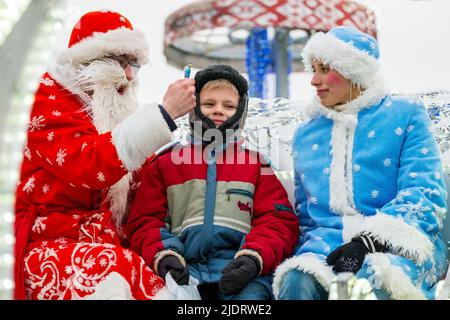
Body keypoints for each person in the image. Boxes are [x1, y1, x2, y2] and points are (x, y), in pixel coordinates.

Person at [14, 10, 196, 300]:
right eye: (120, 62)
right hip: (45, 244)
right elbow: (89, 164)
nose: (128, 75)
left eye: (133, 65)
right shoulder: (46, 98)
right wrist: (165, 115)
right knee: (114, 272)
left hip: (105, 245)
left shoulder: (110, 109)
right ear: (85, 61)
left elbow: (142, 184)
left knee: (169, 288)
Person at [273, 26, 448, 300]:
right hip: (325, 245)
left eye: (324, 69)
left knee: (378, 282)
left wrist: (369, 241)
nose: (314, 80)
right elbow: (307, 217)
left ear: (353, 71)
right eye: (313, 70)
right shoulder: (306, 134)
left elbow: (424, 192)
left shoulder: (405, 116)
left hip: (397, 241)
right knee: (297, 281)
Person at [125, 64, 299, 300]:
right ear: (194, 107)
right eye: (209, 104)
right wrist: (165, 255)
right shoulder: (166, 164)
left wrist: (252, 258)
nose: (219, 111)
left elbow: (278, 219)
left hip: (241, 275)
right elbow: (144, 220)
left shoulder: (257, 165)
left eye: (229, 106)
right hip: (185, 273)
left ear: (241, 112)